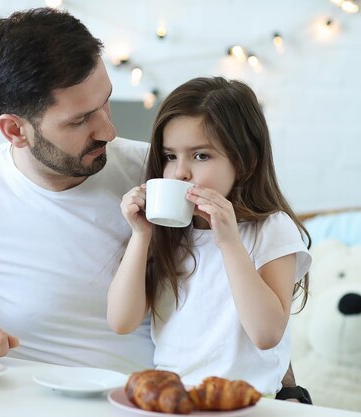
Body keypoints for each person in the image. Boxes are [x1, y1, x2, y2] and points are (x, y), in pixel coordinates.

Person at [0, 8, 306, 399]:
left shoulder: (158, 175)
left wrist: (285, 392)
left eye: (106, 102)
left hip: (158, 400)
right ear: (15, 130)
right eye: (80, 121)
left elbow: (239, 298)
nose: (110, 131)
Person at [107, 76, 312, 396]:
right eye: (170, 156)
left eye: (200, 156)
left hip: (249, 401)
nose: (180, 172)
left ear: (245, 163)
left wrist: (229, 241)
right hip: (174, 398)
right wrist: (141, 235)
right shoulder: (169, 235)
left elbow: (266, 333)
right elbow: (121, 321)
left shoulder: (271, 228)